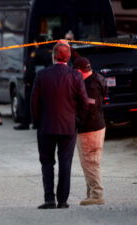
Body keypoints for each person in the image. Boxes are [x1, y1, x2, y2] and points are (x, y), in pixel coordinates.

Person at [31, 43, 88, 209]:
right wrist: (78, 120)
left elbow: (34, 102)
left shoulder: (42, 75)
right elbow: (84, 102)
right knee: (65, 162)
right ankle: (62, 200)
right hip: (68, 126)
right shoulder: (76, 76)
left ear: (53, 56)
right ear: (68, 57)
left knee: (47, 163)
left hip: (46, 126)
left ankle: (49, 199)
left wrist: (37, 122)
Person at [73, 57, 107, 206]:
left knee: (90, 162)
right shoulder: (98, 77)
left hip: (89, 128)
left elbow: (88, 109)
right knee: (91, 161)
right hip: (98, 125)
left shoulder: (89, 86)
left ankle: (97, 194)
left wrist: (75, 122)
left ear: (79, 71)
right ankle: (91, 193)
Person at [14, 37, 52, 130]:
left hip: (34, 81)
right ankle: (37, 123)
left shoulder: (34, 53)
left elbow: (30, 69)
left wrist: (27, 81)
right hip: (46, 81)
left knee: (29, 103)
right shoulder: (49, 53)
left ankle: (25, 123)